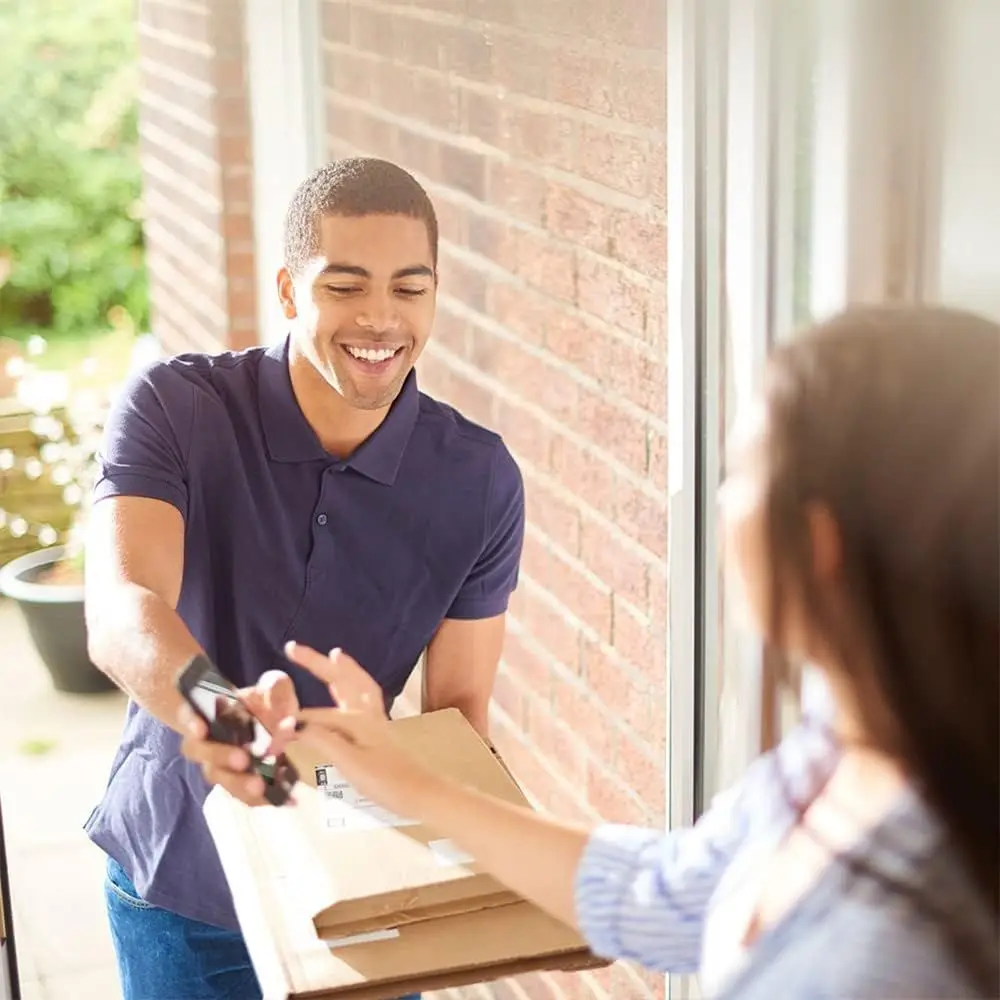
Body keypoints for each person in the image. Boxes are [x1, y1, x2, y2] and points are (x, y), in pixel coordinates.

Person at [186, 305, 999, 998]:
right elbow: (672, 894)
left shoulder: (900, 952)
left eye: (743, 469)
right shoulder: (843, 740)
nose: (720, 499)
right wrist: (403, 781)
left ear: (819, 544)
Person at [84, 157, 525, 1000]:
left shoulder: (479, 479)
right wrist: (228, 717)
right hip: (183, 883)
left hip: (363, 889)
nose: (381, 319)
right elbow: (120, 607)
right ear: (289, 291)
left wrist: (474, 867)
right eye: (347, 286)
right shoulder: (177, 408)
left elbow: (459, 714)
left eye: (411, 288)